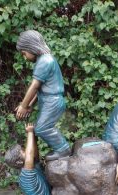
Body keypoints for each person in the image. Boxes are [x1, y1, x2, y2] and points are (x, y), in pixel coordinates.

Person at [15, 30, 71, 161]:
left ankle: (63, 149)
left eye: (24, 53)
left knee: (42, 128)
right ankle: (61, 149)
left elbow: (34, 86)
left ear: (31, 47)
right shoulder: (45, 59)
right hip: (48, 100)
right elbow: (39, 89)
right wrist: (29, 105)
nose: (24, 57)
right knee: (42, 127)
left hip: (53, 101)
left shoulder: (45, 61)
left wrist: (23, 106)